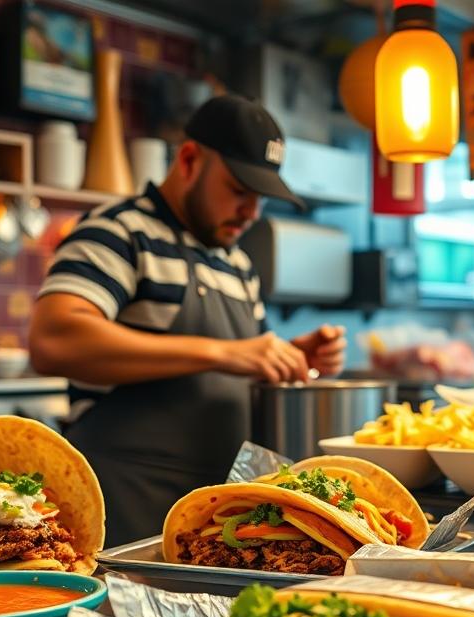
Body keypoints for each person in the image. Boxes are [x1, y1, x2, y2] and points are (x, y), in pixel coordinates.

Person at [28, 94, 346, 546]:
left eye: (261, 198)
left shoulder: (236, 264)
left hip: (219, 527)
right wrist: (223, 352)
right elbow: (54, 339)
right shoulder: (119, 231)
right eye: (239, 190)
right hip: (127, 517)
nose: (251, 213)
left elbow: (234, 370)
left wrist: (290, 355)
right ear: (191, 159)